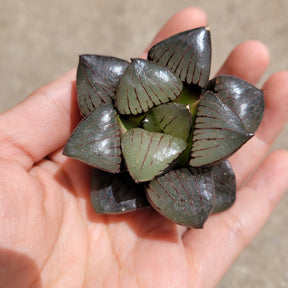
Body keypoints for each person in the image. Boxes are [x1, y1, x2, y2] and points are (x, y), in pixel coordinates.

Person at [0, 7, 288, 288]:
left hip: (176, 170)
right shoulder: (116, 127)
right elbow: (115, 80)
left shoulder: (220, 123)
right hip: (131, 159)